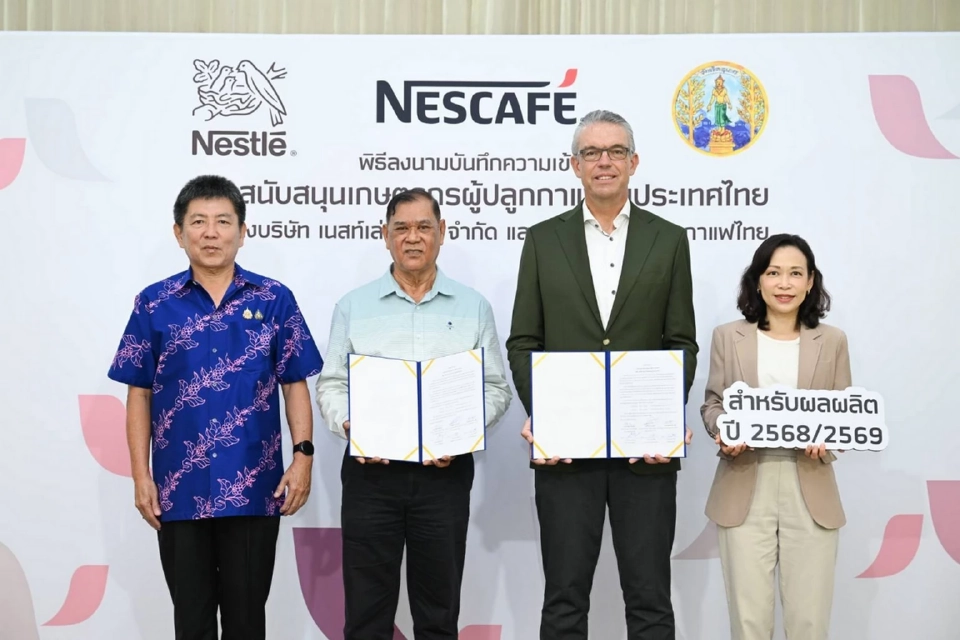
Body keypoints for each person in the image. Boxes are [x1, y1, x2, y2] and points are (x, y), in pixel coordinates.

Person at [505, 109, 698, 640]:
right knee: (564, 600)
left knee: (650, 598)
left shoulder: (669, 239)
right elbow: (524, 341)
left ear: (634, 162)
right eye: (592, 152)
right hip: (566, 453)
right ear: (574, 165)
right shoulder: (544, 240)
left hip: (646, 455)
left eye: (615, 151)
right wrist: (543, 412)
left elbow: (680, 342)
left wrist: (662, 418)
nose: (604, 162)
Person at [107, 175, 324, 640]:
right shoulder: (154, 304)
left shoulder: (274, 299)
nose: (211, 233)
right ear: (178, 232)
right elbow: (138, 392)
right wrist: (141, 475)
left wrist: (302, 455)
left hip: (254, 486)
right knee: (192, 620)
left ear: (242, 231)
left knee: (247, 621)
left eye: (223, 221)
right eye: (199, 222)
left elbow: (295, 382)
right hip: (177, 491)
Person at [315, 188, 512, 640]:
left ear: (441, 233)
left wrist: (463, 431)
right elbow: (332, 385)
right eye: (401, 228)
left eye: (424, 227)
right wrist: (351, 425)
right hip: (370, 477)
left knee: (438, 614)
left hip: (443, 477)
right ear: (385, 236)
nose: (413, 237)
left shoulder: (472, 306)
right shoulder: (353, 306)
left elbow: (496, 388)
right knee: (366, 615)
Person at [701, 233, 850, 640]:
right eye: (773, 273)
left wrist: (830, 437)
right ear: (758, 280)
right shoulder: (728, 336)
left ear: (810, 282)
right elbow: (713, 404)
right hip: (745, 479)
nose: (784, 283)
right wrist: (722, 431)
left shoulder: (832, 340)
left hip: (811, 481)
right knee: (749, 621)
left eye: (795, 274)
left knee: (809, 620)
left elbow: (844, 411)